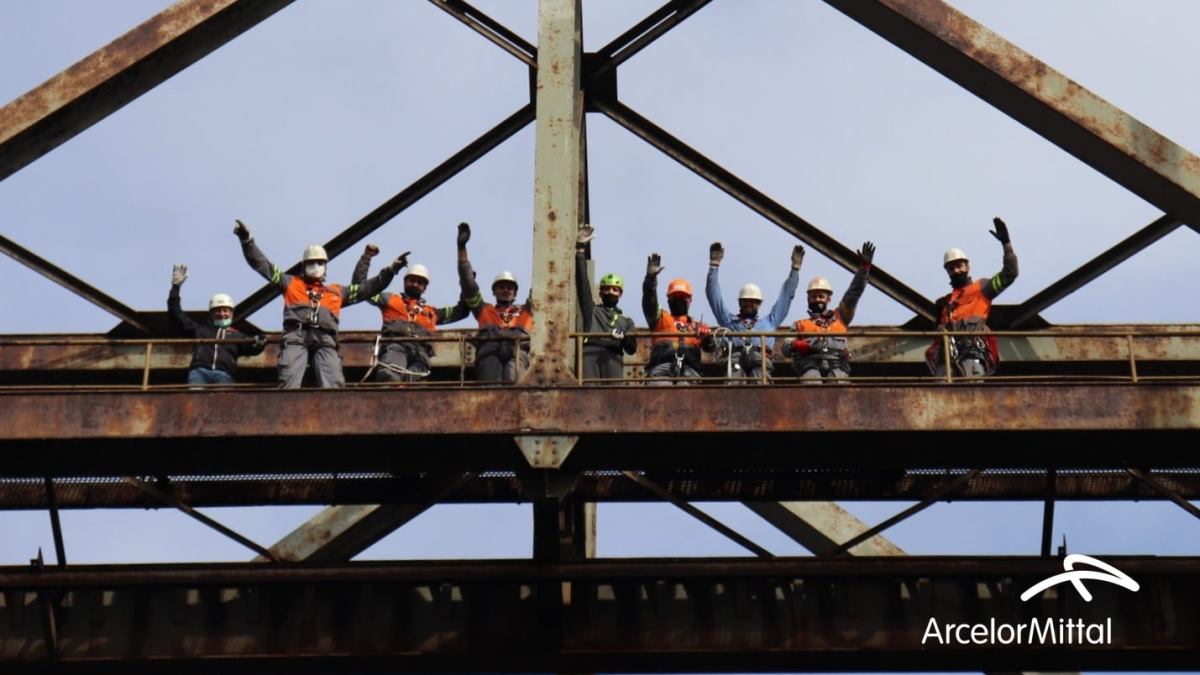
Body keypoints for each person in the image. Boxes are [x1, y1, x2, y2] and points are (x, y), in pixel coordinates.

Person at [234, 219, 401, 388]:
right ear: (303, 266)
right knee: (288, 378)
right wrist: (247, 241)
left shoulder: (336, 292)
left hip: (326, 340)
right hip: (296, 338)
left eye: (320, 263)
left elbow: (367, 288)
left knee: (333, 381)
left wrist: (390, 271)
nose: (316, 266)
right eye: (311, 263)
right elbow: (263, 266)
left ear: (326, 266)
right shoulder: (291, 283)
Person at [351, 242, 469, 382]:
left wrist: (467, 283)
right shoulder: (390, 300)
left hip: (421, 354)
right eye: (412, 280)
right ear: (405, 282)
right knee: (389, 376)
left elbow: (461, 311)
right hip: (395, 346)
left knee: (414, 385)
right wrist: (368, 257)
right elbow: (360, 288)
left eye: (420, 283)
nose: (415, 284)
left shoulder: (432, 312)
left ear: (425, 288)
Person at [925, 218, 1019, 378]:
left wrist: (1006, 244)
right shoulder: (944, 303)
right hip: (946, 361)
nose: (955, 270)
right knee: (942, 395)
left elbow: (1010, 274)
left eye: (959, 265)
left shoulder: (982, 288)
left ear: (968, 267)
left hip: (971, 355)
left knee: (972, 390)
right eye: (951, 267)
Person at [705, 241, 803, 381]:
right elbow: (713, 295)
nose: (750, 304)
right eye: (746, 301)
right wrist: (714, 265)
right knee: (734, 382)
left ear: (759, 303)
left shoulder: (769, 322)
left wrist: (795, 270)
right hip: (735, 360)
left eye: (754, 302)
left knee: (760, 383)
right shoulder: (729, 321)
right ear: (740, 302)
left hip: (760, 360)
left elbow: (786, 297)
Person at [782, 242, 875, 381]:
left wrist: (864, 268)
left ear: (828, 299)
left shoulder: (841, 316)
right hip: (810, 366)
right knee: (811, 384)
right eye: (814, 296)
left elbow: (854, 293)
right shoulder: (800, 324)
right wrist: (795, 345)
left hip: (837, 367)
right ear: (808, 298)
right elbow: (785, 348)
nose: (817, 299)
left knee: (839, 385)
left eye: (821, 296)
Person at [456, 222, 534, 383]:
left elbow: (543, 283)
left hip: (517, 352)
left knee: (515, 389)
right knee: (491, 391)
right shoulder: (484, 309)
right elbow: (468, 285)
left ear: (515, 292)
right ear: (494, 291)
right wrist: (462, 248)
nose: (506, 290)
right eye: (501, 287)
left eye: (510, 287)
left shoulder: (527, 311)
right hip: (489, 353)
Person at [168, 263, 267, 385]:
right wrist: (175, 287)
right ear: (211, 313)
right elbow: (175, 312)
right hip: (199, 372)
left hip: (224, 374)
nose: (222, 313)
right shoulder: (200, 330)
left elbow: (252, 348)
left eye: (225, 310)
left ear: (231, 313)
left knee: (223, 403)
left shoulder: (237, 336)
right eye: (218, 310)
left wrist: (260, 343)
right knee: (195, 402)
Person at [575, 223, 637, 383]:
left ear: (620, 294)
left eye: (615, 290)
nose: (610, 292)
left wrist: (624, 338)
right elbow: (583, 286)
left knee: (613, 395)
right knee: (589, 393)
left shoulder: (627, 322)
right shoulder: (592, 311)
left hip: (613, 353)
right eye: (607, 289)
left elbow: (631, 349)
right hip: (591, 351)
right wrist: (580, 251)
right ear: (600, 292)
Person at [641, 252, 715, 384]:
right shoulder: (660, 318)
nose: (678, 300)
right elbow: (649, 302)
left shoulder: (698, 326)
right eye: (675, 297)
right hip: (661, 367)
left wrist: (707, 338)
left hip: (689, 369)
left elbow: (711, 348)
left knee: (685, 391)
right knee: (659, 389)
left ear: (690, 300)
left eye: (682, 297)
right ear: (668, 300)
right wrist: (650, 279)